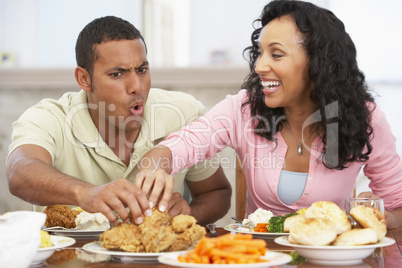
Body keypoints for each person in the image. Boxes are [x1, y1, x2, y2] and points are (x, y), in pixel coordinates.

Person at [138, 0, 402, 229]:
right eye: (260, 53)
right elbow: (184, 143)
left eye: (276, 54)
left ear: (319, 63)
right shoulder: (245, 108)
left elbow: (397, 205)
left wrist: (381, 216)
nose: (259, 65)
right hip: (259, 257)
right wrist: (158, 165)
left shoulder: (364, 117)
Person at [6, 16, 231, 226]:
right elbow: (20, 173)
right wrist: (84, 193)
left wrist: (189, 214)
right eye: (117, 74)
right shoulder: (48, 117)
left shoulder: (184, 112)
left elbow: (216, 193)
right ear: (84, 79)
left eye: (142, 70)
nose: (137, 87)